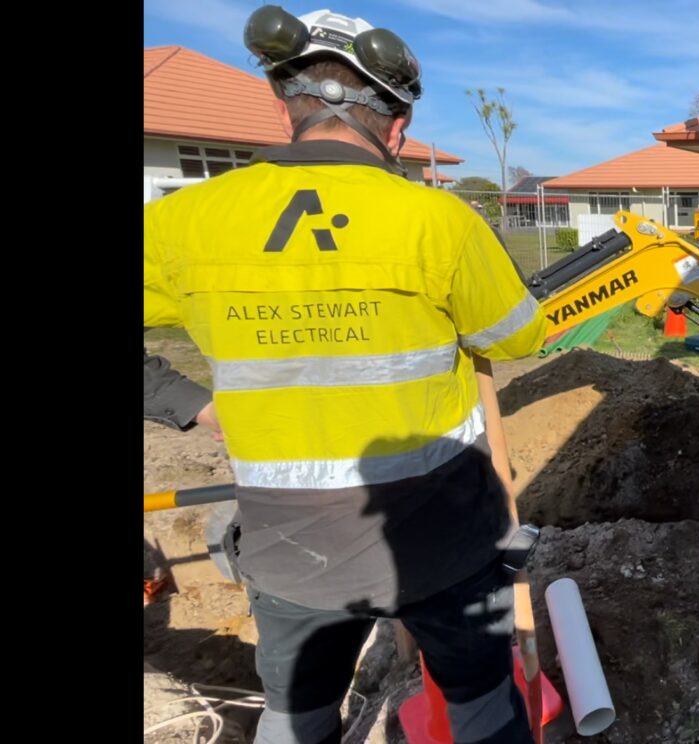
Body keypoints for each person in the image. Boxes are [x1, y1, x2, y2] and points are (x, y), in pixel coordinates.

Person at [142, 6, 548, 742]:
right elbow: (520, 336)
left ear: (285, 105)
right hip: (443, 543)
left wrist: (191, 402)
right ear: (395, 126)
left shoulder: (180, 224)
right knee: (484, 710)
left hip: (288, 549)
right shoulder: (438, 221)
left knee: (295, 720)